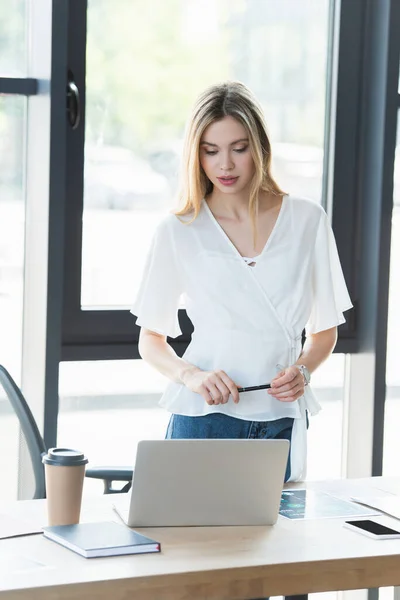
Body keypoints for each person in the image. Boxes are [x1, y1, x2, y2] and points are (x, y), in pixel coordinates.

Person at [132, 81, 352, 482]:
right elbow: (150, 340)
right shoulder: (179, 230)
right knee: (191, 542)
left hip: (281, 421)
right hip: (203, 419)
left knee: (276, 543)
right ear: (195, 155)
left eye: (239, 148)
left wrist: (303, 371)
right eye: (210, 151)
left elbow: (325, 331)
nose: (225, 165)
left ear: (260, 148)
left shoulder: (307, 220)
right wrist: (192, 376)